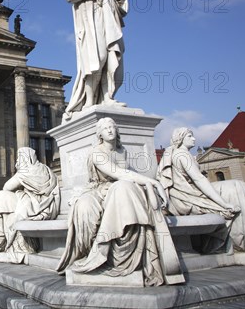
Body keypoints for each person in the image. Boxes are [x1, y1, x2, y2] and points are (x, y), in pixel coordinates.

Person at [57, 117, 184, 286]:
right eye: (105, 128)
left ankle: (121, 254)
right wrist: (153, 182)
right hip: (98, 190)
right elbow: (119, 173)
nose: (110, 130)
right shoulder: (96, 152)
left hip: (115, 188)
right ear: (99, 134)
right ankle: (90, 254)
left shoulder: (122, 151)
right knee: (85, 208)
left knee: (124, 191)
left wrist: (147, 183)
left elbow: (124, 175)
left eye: (112, 127)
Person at [157, 128, 245, 254]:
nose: (194, 139)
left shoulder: (180, 154)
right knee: (237, 189)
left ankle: (244, 238)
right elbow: (199, 179)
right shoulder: (182, 155)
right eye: (190, 136)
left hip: (190, 192)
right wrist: (223, 204)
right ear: (181, 138)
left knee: (239, 187)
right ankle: (244, 239)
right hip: (188, 196)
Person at [64, 0, 128, 120]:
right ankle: (89, 101)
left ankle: (108, 98)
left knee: (110, 58)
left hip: (108, 21)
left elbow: (122, 6)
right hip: (89, 23)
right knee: (95, 59)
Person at [0, 147, 60, 263]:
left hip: (32, 205)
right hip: (46, 206)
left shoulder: (26, 171)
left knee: (1, 197)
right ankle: (13, 243)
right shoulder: (46, 169)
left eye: (19, 158)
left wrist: (19, 175)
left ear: (24, 158)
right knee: (7, 202)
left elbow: (7, 187)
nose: (17, 161)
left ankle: (6, 243)